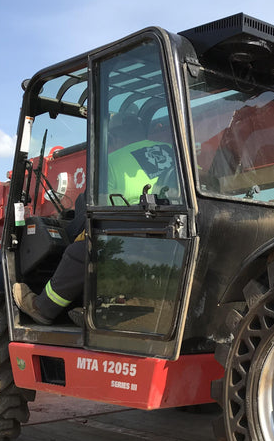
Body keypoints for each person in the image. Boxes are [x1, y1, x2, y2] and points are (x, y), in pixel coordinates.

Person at [13, 113, 177, 325]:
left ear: (114, 138)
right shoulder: (174, 153)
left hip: (136, 242)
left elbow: (91, 211)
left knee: (81, 248)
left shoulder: (112, 163)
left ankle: (43, 308)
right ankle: (97, 306)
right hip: (171, 239)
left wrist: (72, 230)